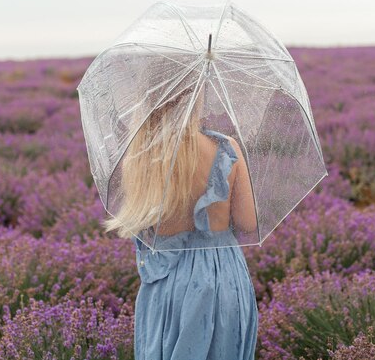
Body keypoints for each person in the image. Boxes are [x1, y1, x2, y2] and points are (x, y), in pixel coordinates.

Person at [101, 74, 259, 360]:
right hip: (222, 273)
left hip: (166, 276)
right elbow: (248, 223)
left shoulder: (139, 156)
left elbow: (142, 223)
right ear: (195, 97)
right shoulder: (226, 149)